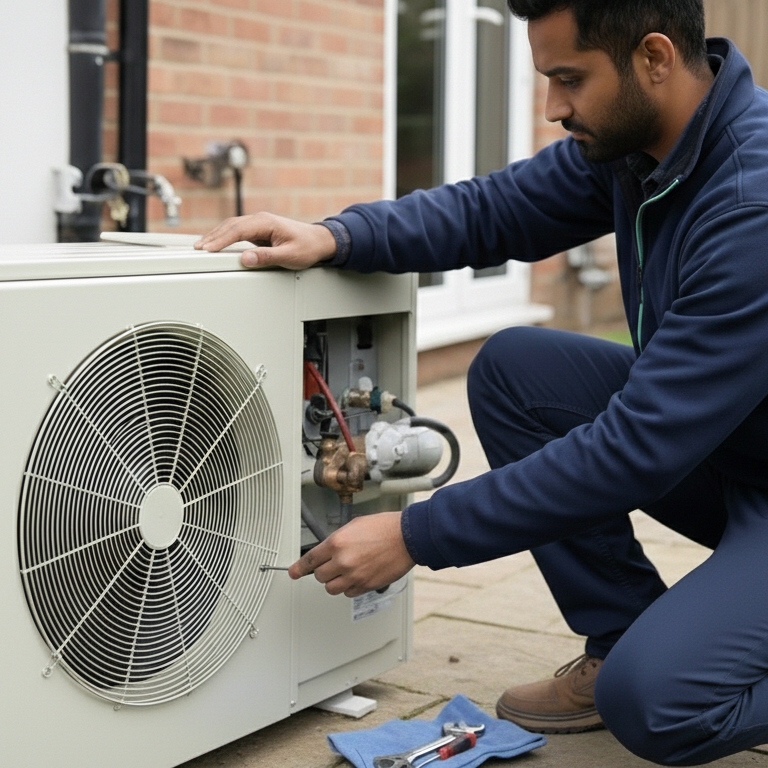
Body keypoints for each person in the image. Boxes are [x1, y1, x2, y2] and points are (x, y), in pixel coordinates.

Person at [196, 0, 768, 763]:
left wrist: (415, 532)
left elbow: (637, 446)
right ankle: (621, 633)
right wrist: (339, 234)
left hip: (712, 451)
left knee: (658, 703)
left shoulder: (749, 204)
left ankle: (645, 669)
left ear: (654, 58)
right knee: (515, 370)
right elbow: (499, 207)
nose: (553, 106)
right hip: (737, 446)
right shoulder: (646, 147)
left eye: (569, 79)